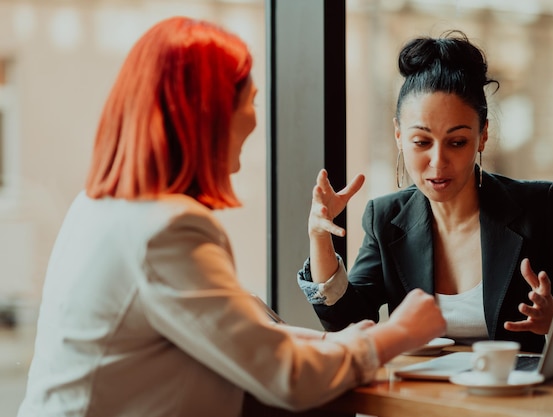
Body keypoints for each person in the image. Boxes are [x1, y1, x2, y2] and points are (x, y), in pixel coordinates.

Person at [17, 17, 447, 417]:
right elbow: (287, 376)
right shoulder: (167, 230)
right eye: (251, 101)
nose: (255, 120)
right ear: (209, 113)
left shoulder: (98, 207)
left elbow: (237, 333)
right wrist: (398, 333)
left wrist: (335, 341)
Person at [298, 30, 553, 354]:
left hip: (515, 400)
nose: (438, 162)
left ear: (483, 136)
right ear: (398, 135)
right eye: (422, 142)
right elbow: (348, 324)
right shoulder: (385, 218)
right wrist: (319, 238)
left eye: (457, 142)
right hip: (423, 401)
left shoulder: (540, 208)